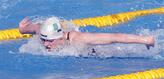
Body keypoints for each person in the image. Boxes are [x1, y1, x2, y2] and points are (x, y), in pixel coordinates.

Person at [19, 17, 154, 50]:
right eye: (43, 40)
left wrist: (146, 40)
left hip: (93, 54)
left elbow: (116, 37)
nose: (46, 45)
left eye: (49, 41)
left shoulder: (80, 39)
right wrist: (22, 29)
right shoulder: (44, 32)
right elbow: (32, 29)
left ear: (60, 37)